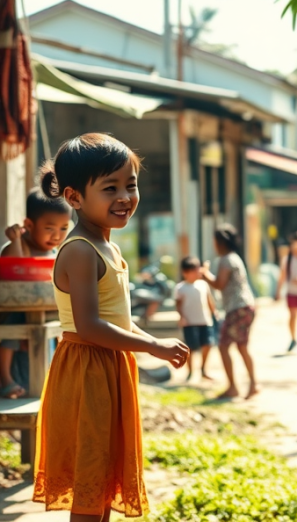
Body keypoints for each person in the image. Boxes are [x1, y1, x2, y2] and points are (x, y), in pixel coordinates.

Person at [31, 133, 189, 520]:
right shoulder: (80, 250)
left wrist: (152, 342)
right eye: (109, 188)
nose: (124, 197)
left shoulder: (109, 248)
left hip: (110, 366)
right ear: (74, 197)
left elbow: (118, 318)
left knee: (104, 483)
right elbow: (89, 327)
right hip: (86, 370)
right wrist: (152, 347)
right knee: (89, 487)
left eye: (130, 185)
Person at [0, 188, 71, 399]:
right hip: (17, 311)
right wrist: (15, 241)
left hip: (47, 311)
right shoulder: (21, 245)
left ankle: (60, 376)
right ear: (29, 225)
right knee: (11, 330)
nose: (57, 235)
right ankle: (5, 379)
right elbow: (15, 268)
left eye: (64, 228)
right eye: (49, 228)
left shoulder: (56, 251)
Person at [201, 224, 258, 400]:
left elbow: (220, 284)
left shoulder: (226, 260)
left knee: (224, 346)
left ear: (219, 242)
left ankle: (234, 387)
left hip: (237, 308)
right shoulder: (234, 257)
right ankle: (252, 385)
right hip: (245, 306)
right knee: (242, 346)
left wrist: (205, 274)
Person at [175, 256, 218, 381]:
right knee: (190, 348)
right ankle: (190, 372)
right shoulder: (180, 288)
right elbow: (178, 304)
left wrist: (214, 312)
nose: (197, 273)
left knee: (208, 344)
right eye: (194, 271)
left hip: (205, 321)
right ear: (185, 273)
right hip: (189, 322)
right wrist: (182, 317)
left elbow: (209, 300)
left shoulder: (203, 284)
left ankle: (203, 369)